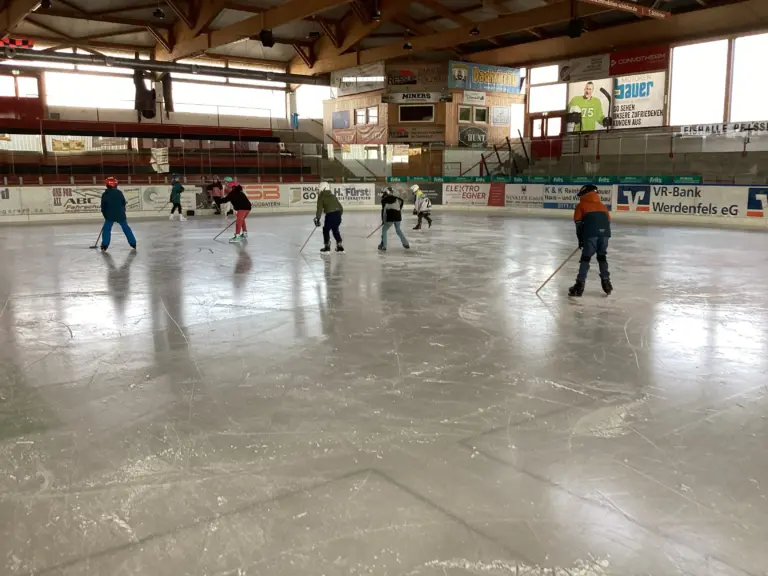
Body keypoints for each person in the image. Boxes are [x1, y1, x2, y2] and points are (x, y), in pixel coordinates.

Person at [569, 184, 613, 297]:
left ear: (585, 194)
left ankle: (579, 286)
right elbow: (608, 221)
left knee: (586, 258)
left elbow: (579, 225)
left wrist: (581, 240)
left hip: (591, 234)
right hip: (605, 234)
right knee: (602, 256)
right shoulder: (603, 206)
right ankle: (606, 283)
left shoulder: (581, 205)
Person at [100, 177, 136, 252]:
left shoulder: (105, 194)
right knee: (126, 228)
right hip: (120, 214)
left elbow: (103, 206)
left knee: (106, 229)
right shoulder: (119, 193)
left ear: (107, 185)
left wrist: (105, 215)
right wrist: (123, 212)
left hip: (110, 215)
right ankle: (133, 242)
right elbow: (123, 203)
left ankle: (105, 244)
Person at [216, 178, 252, 243]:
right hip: (247, 208)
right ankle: (244, 233)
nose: (226, 189)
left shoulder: (233, 193)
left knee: (238, 222)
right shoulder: (238, 192)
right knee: (242, 220)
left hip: (242, 208)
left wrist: (217, 201)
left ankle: (237, 236)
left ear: (232, 188)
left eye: (228, 187)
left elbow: (225, 200)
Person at [314, 181, 344, 253]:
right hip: (338, 215)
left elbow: (319, 209)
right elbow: (341, 208)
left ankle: (327, 246)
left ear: (323, 188)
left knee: (326, 230)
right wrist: (338, 215)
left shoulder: (321, 197)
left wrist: (317, 218)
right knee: (335, 229)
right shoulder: (333, 196)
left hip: (330, 215)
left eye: (319, 189)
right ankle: (339, 245)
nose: (318, 191)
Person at [378, 186, 410, 251]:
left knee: (384, 230)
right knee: (398, 230)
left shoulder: (383, 200)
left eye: (383, 193)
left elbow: (384, 212)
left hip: (390, 217)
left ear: (386, 193)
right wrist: (399, 209)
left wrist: (383, 221)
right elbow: (402, 201)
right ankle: (406, 244)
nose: (382, 194)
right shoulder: (397, 198)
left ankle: (384, 246)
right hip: (398, 216)